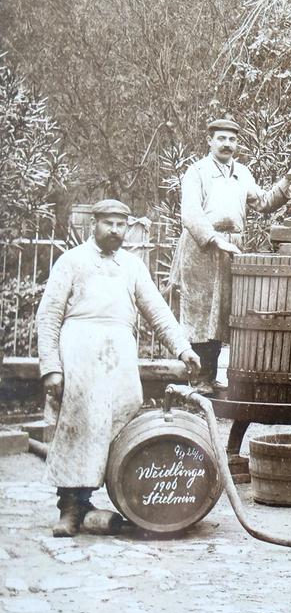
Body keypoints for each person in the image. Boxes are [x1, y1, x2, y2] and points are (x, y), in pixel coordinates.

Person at [37, 200, 201, 536]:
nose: (115, 230)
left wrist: (183, 348)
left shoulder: (132, 266)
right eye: (108, 223)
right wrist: (52, 367)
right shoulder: (72, 261)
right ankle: (69, 506)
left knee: (125, 410)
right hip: (79, 351)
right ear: (93, 225)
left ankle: (104, 495)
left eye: (121, 225)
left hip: (119, 355)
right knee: (80, 421)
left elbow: (157, 311)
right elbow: (49, 315)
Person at [174, 117, 291, 393]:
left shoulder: (242, 173)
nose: (227, 144)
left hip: (232, 247)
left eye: (231, 139)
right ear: (210, 140)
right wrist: (215, 240)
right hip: (201, 248)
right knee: (200, 311)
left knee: (223, 313)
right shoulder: (197, 172)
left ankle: (210, 376)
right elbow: (190, 213)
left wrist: (288, 178)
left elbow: (264, 202)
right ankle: (197, 379)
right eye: (221, 138)